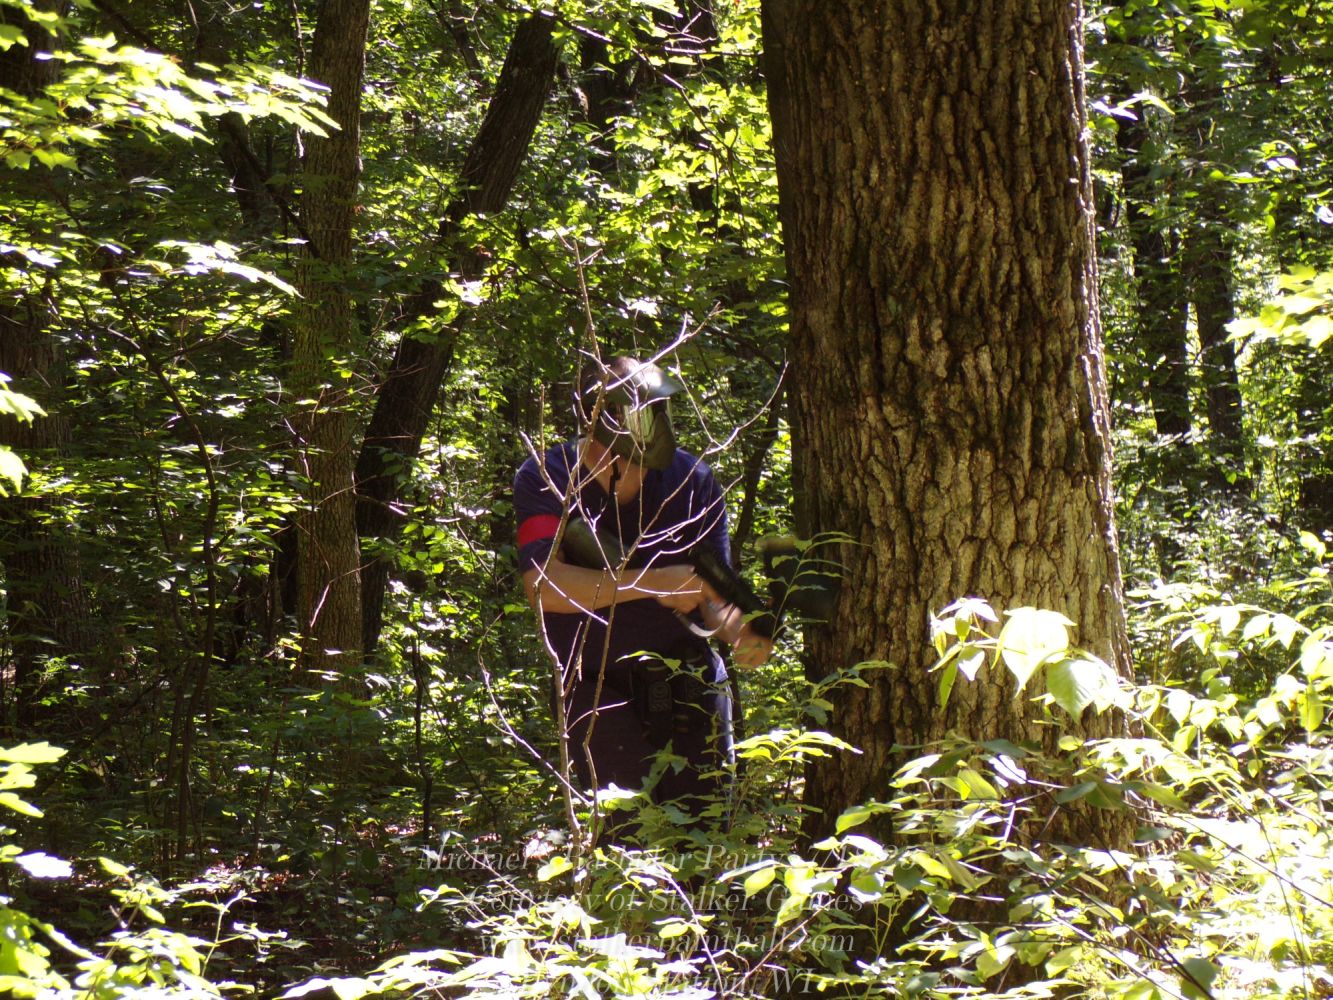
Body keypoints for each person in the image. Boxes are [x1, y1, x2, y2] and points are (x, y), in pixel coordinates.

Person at [513, 356, 771, 826]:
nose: (649, 423)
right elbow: (543, 586)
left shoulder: (693, 481)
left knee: (704, 836)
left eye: (654, 410)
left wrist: (743, 631)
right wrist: (653, 583)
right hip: (598, 693)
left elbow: (714, 594)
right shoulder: (548, 477)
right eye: (635, 411)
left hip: (691, 691)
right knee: (621, 843)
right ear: (597, 414)